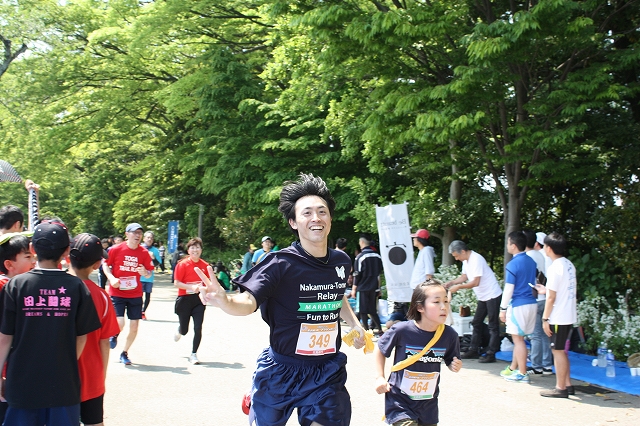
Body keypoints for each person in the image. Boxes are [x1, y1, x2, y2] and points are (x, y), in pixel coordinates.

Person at [197, 173, 365, 426]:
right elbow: (249, 301)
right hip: (282, 370)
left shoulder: (341, 261)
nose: (316, 218)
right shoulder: (279, 263)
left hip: (326, 371)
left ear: (330, 219)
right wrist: (225, 301)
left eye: (322, 212)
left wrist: (355, 324)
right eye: (307, 213)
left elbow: (336, 294)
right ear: (293, 222)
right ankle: (256, 394)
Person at [0, 221, 101, 425]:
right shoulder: (78, 287)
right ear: (66, 251)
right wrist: (64, 363)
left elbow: (4, 337)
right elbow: (82, 337)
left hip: (21, 384)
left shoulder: (16, 285)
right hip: (63, 386)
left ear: (32, 248)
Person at [374, 279, 462, 425]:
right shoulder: (402, 330)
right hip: (400, 401)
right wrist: (379, 377)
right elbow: (380, 348)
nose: (443, 307)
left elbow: (452, 359)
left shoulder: (449, 335)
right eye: (436, 302)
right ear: (420, 307)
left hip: (428, 405)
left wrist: (454, 365)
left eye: (446, 301)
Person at [68, 233, 120, 426]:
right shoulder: (101, 296)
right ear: (97, 264)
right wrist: (101, 377)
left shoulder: (57, 291)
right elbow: (104, 342)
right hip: (91, 376)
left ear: (68, 257)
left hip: (60, 375)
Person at [102, 223, 154, 365]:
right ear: (127, 234)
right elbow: (105, 264)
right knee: (120, 323)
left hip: (135, 293)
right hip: (117, 292)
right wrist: (111, 278)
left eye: (139, 233)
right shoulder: (116, 249)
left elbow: (149, 272)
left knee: (134, 326)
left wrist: (145, 273)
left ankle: (124, 352)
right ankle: (114, 334)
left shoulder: (143, 252)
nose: (137, 236)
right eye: (134, 233)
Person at [444, 240, 502, 363]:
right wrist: (452, 282)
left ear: (463, 251)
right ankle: (473, 349)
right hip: (483, 296)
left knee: (493, 325)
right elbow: (464, 276)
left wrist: (459, 287)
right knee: (476, 322)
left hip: (492, 294)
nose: (456, 259)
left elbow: (476, 282)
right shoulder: (466, 261)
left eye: (456, 256)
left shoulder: (476, 259)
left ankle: (491, 353)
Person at [537, 232, 578, 398]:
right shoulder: (568, 264)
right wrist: (546, 290)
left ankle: (560, 388)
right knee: (561, 351)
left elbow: (551, 298)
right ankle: (567, 385)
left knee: (558, 351)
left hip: (558, 316)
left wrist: (545, 318)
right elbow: (557, 291)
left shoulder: (555, 267)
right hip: (568, 314)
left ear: (549, 248)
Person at [0, 233, 35, 423]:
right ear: (9, 264)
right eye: (27, 257)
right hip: (7, 371)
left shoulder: (23, 286)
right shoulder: (6, 288)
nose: (33, 261)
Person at [498, 231, 538, 383]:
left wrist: (503, 308)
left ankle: (522, 373)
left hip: (518, 305)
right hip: (532, 303)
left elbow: (509, 288)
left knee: (518, 340)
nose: (507, 245)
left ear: (513, 246)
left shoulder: (513, 264)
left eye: (508, 243)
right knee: (519, 339)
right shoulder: (531, 261)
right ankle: (513, 368)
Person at [173, 237, 209, 365]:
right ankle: (180, 330)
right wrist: (191, 287)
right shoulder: (182, 264)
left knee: (198, 327)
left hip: (199, 300)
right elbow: (176, 283)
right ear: (188, 250)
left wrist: (205, 290)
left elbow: (209, 283)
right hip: (184, 300)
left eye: (197, 247)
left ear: (201, 250)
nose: (195, 250)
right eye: (192, 248)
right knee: (185, 330)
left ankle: (194, 354)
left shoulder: (205, 266)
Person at [523, 230, 553, 375]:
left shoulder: (527, 257)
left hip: (534, 298)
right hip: (544, 298)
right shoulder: (541, 255)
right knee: (545, 334)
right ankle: (547, 365)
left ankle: (536, 365)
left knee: (535, 335)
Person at [351, 234, 384, 336]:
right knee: (373, 311)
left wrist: (354, 289)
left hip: (363, 287)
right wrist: (378, 288)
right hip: (374, 287)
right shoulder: (377, 256)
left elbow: (357, 274)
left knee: (363, 311)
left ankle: (365, 330)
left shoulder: (360, 257)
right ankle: (380, 330)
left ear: (362, 242)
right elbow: (378, 274)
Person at [140, 231, 162, 320]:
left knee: (148, 296)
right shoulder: (139, 248)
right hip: (139, 276)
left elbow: (158, 263)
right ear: (144, 238)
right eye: (148, 237)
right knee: (138, 296)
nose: (149, 239)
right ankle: (138, 311)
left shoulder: (155, 250)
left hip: (149, 278)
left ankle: (143, 311)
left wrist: (153, 257)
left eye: (151, 238)